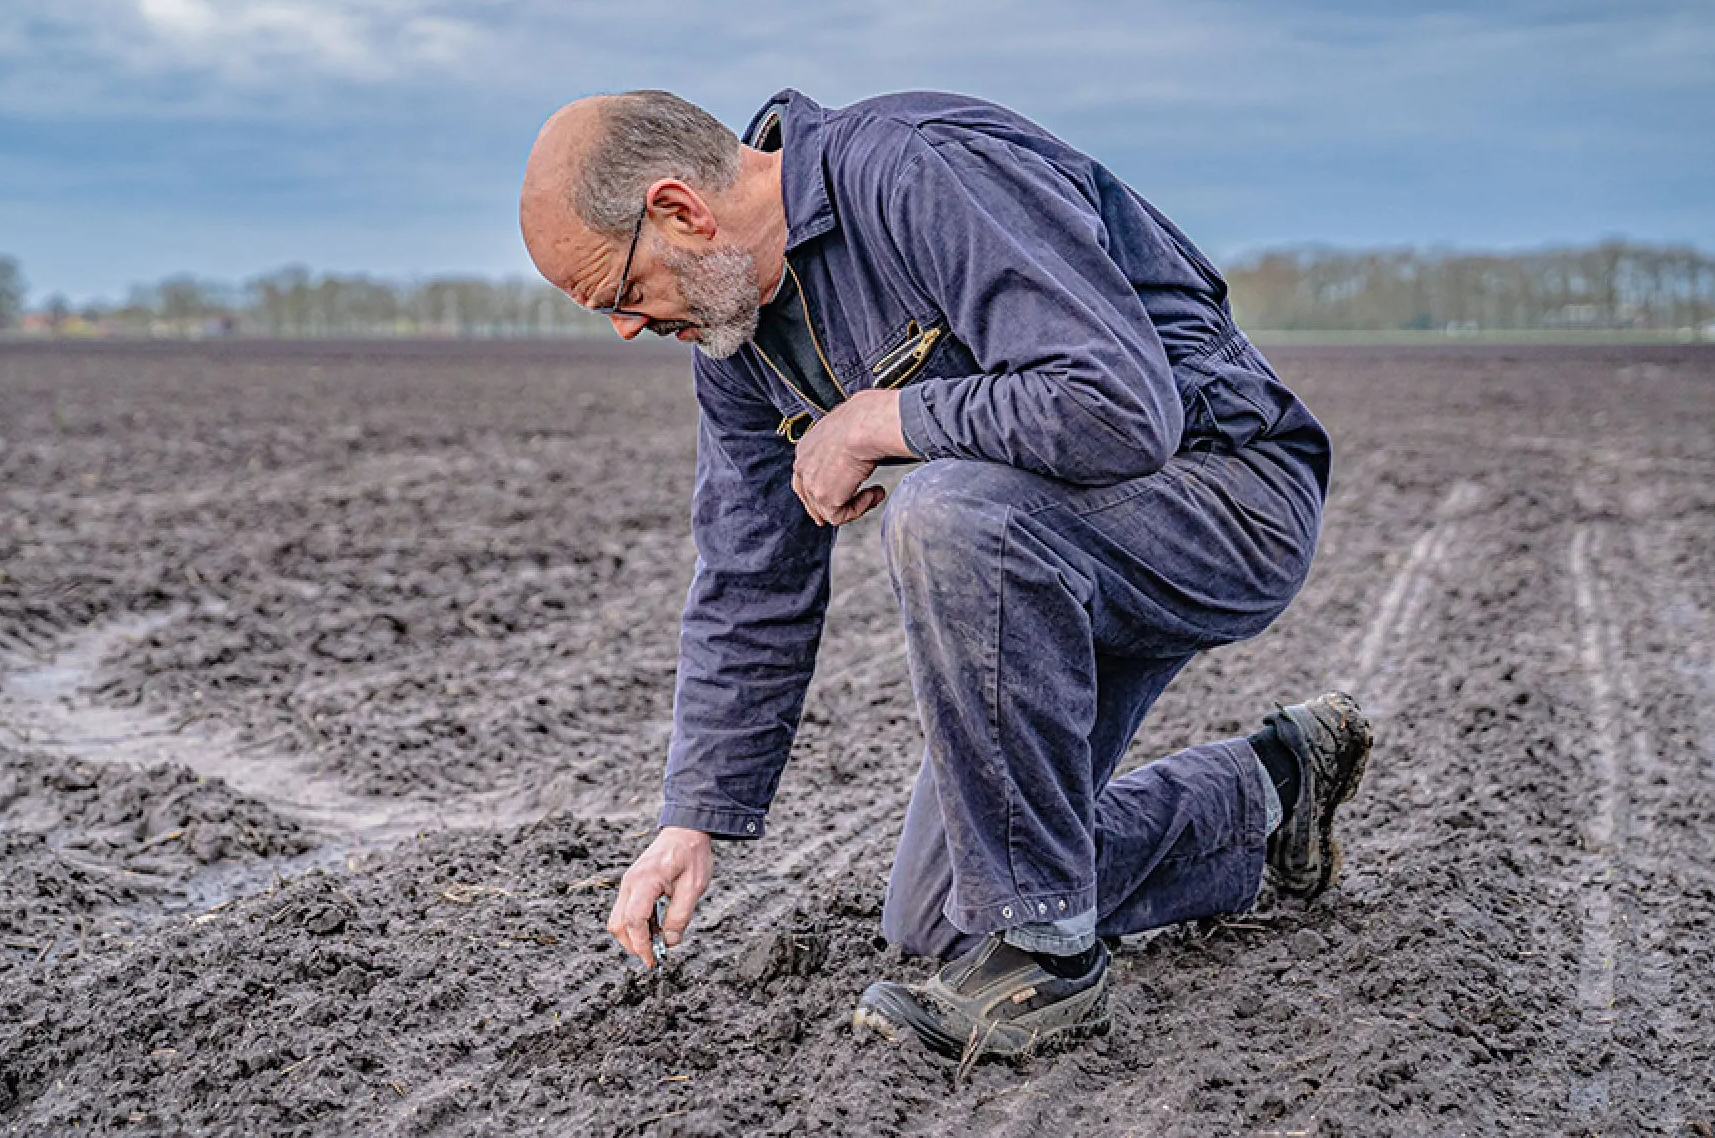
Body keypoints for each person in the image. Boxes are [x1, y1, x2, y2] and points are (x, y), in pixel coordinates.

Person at [518, 88, 1372, 1061]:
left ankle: (1049, 968)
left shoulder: (912, 173)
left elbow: (1120, 404)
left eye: (618, 294)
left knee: (946, 510)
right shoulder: (735, 336)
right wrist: (692, 818)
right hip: (1049, 557)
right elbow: (751, 578)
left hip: (1222, 493)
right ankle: (1267, 795)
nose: (626, 328)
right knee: (947, 913)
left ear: (678, 210)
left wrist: (879, 420)